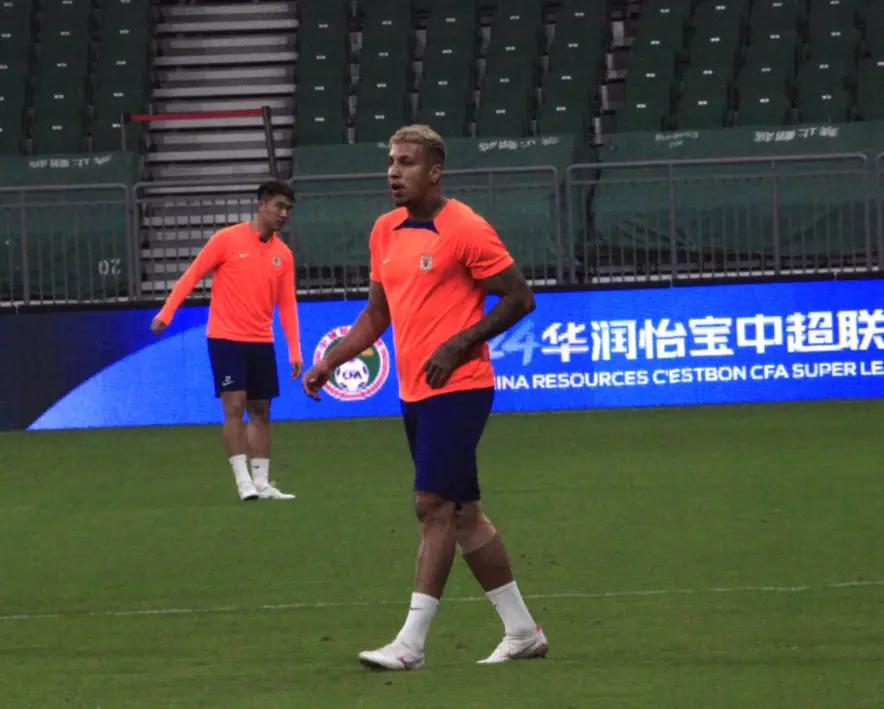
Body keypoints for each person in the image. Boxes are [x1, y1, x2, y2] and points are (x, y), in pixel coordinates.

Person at [302, 125, 548, 669]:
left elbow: (519, 297)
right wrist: (329, 361)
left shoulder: (465, 227)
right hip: (415, 390)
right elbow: (376, 315)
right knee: (465, 516)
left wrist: (460, 343)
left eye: (406, 162)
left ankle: (410, 645)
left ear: (434, 171)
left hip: (461, 386)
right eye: (391, 162)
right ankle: (522, 632)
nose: (394, 172)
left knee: (432, 505)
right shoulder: (384, 230)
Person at [151, 180, 302, 502]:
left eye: (288, 209)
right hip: (226, 338)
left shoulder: (284, 255)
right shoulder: (226, 240)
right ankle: (243, 482)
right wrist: (167, 312)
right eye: (279, 206)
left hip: (261, 340)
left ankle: (262, 483)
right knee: (234, 407)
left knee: (261, 411)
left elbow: (287, 304)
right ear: (262, 204)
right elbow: (192, 274)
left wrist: (294, 350)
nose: (283, 214)